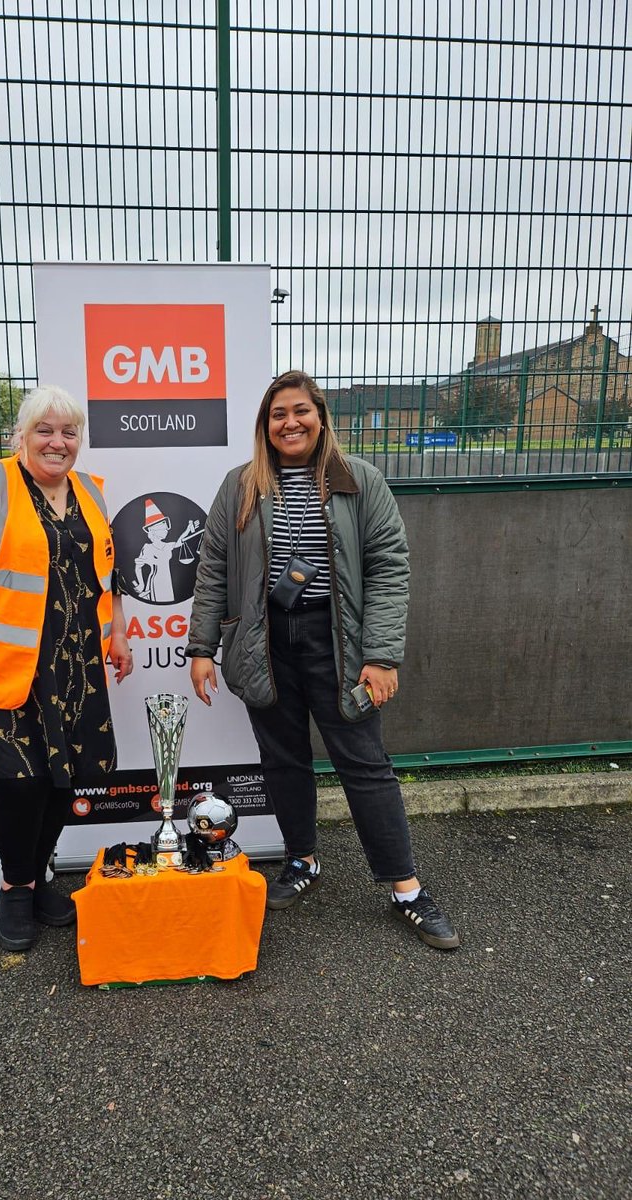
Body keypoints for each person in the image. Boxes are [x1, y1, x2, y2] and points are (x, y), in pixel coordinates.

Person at [185, 370, 459, 950]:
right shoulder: (240, 486)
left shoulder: (360, 481)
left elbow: (389, 566)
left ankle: (406, 888)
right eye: (278, 413)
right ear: (266, 425)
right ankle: (302, 860)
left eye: (300, 411)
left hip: (338, 641)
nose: (290, 422)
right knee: (283, 760)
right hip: (263, 640)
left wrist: (382, 656)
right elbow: (213, 569)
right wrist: (203, 647)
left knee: (364, 762)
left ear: (320, 416)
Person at [0, 385, 133, 952]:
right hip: (9, 668)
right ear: (20, 436)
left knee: (66, 781)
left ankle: (38, 875)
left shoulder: (90, 493)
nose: (57, 443)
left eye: (69, 432)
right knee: (20, 783)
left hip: (78, 670)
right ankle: (16, 886)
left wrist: (120, 636)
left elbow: (110, 574)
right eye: (45, 430)